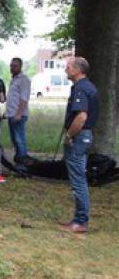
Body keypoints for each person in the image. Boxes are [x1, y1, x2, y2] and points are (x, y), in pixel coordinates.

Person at [59, 57, 98, 234]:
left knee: (78, 180)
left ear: (78, 70)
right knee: (78, 178)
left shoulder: (81, 89)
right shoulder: (88, 87)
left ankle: (81, 221)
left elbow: (81, 117)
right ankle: (79, 218)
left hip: (79, 137)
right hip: (85, 136)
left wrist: (69, 135)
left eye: (69, 66)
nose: (66, 69)